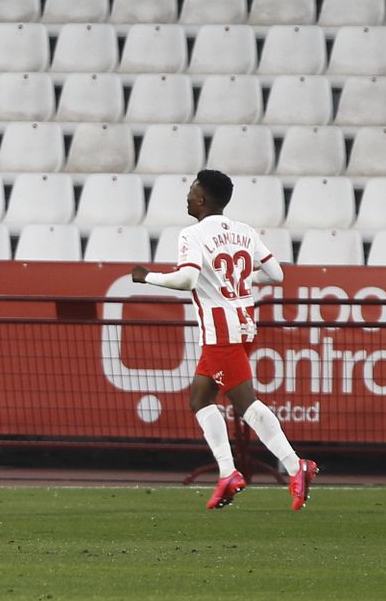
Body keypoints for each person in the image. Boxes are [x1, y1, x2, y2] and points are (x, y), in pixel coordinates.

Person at [132, 169, 318, 511]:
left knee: (246, 403)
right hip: (244, 322)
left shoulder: (193, 234)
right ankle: (228, 472)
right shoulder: (244, 231)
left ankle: (296, 465)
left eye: (191, 191)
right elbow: (276, 274)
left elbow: (187, 279)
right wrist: (240, 277)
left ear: (202, 199)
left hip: (220, 331)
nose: (187, 196)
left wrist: (148, 278)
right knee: (200, 399)